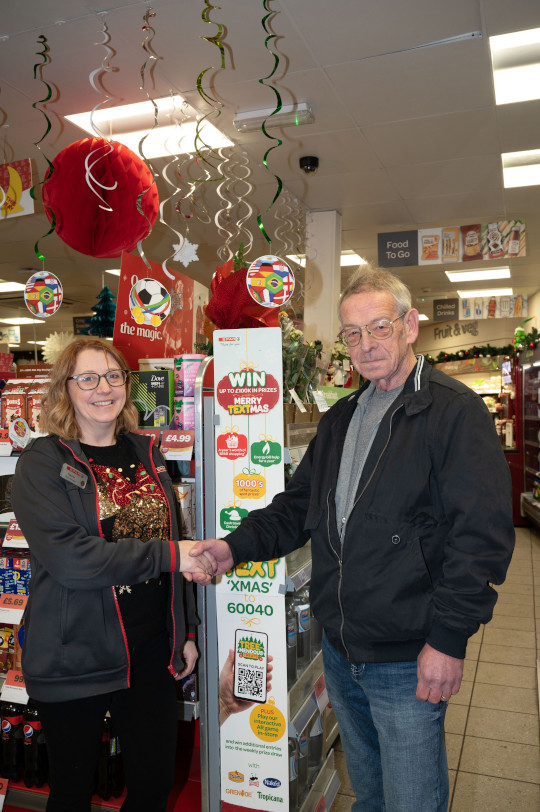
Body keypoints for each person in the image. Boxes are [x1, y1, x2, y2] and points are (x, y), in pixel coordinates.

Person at [191, 266, 515, 812]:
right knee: (371, 794)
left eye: (379, 327)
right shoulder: (341, 418)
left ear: (410, 326)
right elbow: (297, 509)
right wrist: (232, 546)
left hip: (409, 655)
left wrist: (449, 638)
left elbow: (480, 538)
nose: (366, 345)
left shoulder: (453, 411)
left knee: (412, 801)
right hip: (340, 649)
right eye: (352, 334)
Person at [11, 337, 213, 812]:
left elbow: (169, 538)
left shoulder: (147, 452)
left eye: (114, 376)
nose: (103, 388)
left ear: (128, 384)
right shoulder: (43, 462)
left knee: (153, 786)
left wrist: (184, 631)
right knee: (73, 792)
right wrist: (171, 555)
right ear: (66, 389)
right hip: (74, 652)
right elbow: (72, 560)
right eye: (88, 378)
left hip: (149, 650)